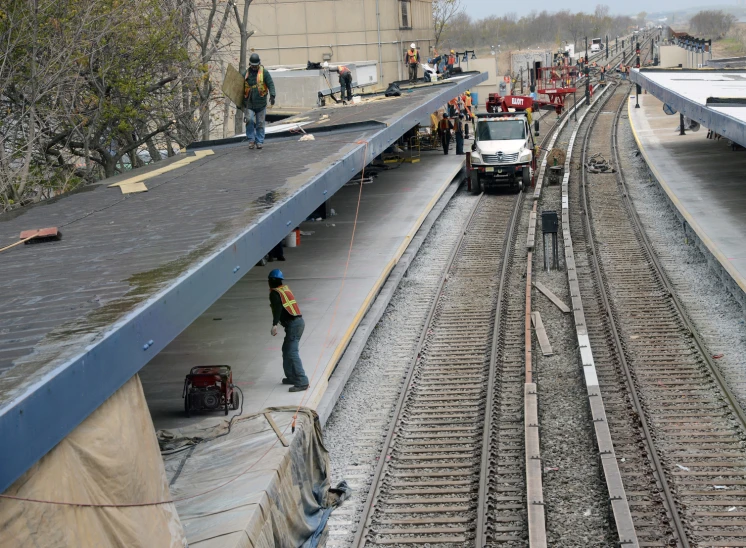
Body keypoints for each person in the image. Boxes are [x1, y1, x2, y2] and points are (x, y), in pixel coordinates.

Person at [268, 269, 309, 392]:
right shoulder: (284, 289)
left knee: (291, 352)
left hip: (294, 325)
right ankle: (291, 377)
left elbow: (278, 308)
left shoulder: (275, 293)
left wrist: (274, 324)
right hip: (297, 323)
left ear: (272, 280)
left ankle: (302, 381)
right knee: (286, 349)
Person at [243, 53, 276, 150]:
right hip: (249, 103)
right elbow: (239, 88)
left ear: (259, 64)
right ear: (250, 64)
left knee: (260, 123)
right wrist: (239, 103)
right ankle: (251, 140)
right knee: (249, 120)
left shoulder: (264, 73)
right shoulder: (245, 74)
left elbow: (270, 84)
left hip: (261, 103)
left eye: (256, 65)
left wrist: (272, 95)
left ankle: (259, 141)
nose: (254, 67)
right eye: (252, 65)